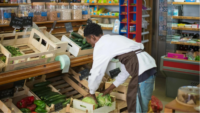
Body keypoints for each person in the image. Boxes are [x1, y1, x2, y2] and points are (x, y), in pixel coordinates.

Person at [84, 23, 157, 113]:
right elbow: (125, 71)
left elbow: (97, 72)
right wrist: (109, 89)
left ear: (93, 37)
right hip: (148, 69)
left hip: (141, 71)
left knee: (136, 107)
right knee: (141, 107)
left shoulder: (100, 45)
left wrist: (92, 92)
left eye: (89, 41)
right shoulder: (114, 39)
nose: (91, 45)